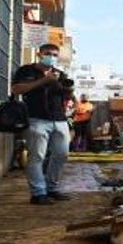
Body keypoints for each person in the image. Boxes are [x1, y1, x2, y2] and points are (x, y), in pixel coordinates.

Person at [11, 43, 73, 205]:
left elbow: (65, 96)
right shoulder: (26, 71)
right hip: (36, 119)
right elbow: (16, 89)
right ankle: (38, 193)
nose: (51, 57)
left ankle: (51, 188)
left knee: (62, 154)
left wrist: (67, 90)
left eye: (54, 54)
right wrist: (43, 81)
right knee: (37, 156)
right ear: (39, 54)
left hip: (59, 120)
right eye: (48, 53)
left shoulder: (59, 74)